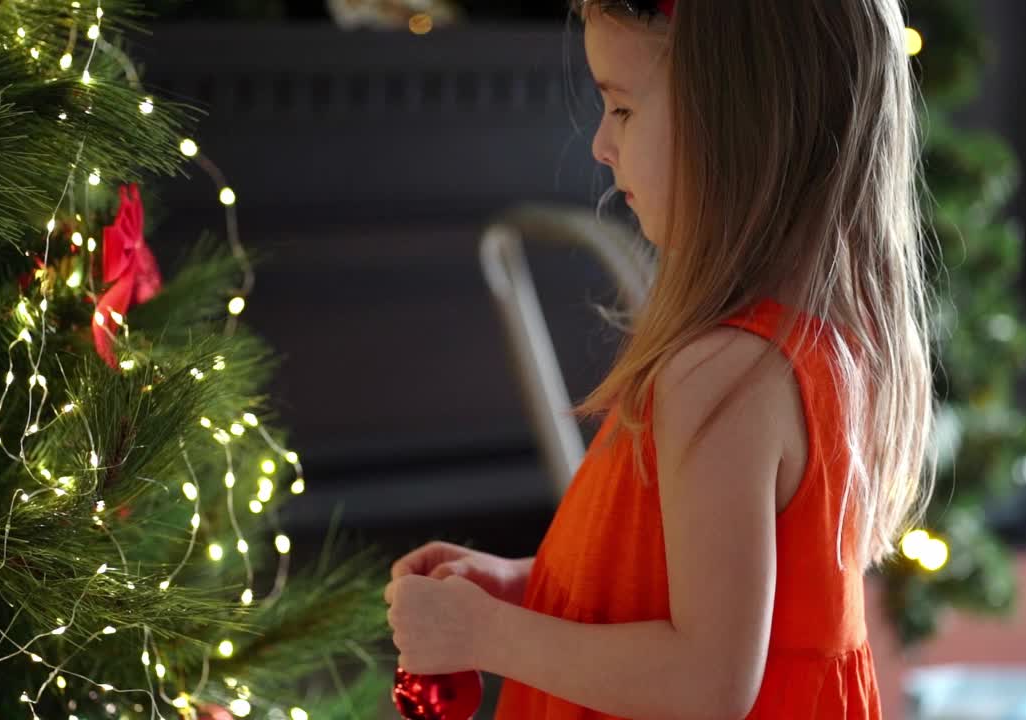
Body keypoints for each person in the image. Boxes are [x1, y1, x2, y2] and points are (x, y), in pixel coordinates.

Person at [384, 0, 934, 716]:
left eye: (623, 109)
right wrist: (529, 585)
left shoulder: (724, 375)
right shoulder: (815, 346)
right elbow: (704, 595)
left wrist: (484, 635)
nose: (600, 148)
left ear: (736, 125)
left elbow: (705, 682)